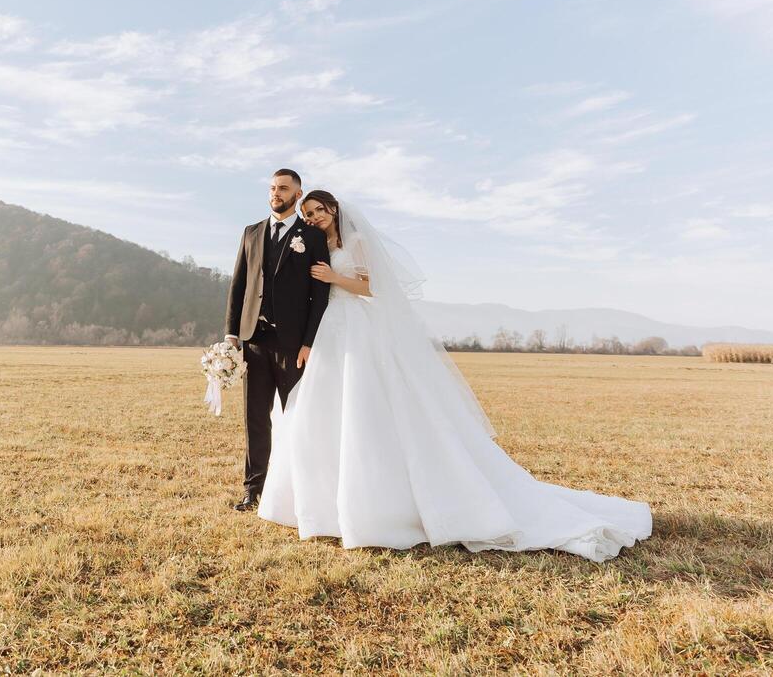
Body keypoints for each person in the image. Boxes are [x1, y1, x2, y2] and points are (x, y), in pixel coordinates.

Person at [257, 189, 653, 562]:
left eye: (318, 211)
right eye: (307, 214)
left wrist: (333, 278)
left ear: (334, 211)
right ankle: (323, 501)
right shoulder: (314, 245)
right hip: (330, 329)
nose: (312, 218)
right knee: (324, 411)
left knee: (366, 405)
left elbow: (371, 287)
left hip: (358, 325)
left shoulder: (355, 243)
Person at [224, 169, 332, 511]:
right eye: (272, 187)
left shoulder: (312, 238)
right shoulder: (251, 232)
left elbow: (321, 295)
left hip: (293, 344)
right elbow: (238, 286)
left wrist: (308, 342)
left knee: (296, 417)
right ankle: (253, 491)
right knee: (255, 417)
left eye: (283, 188)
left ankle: (302, 490)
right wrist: (231, 335)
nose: (276, 192)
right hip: (254, 341)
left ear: (297, 195)